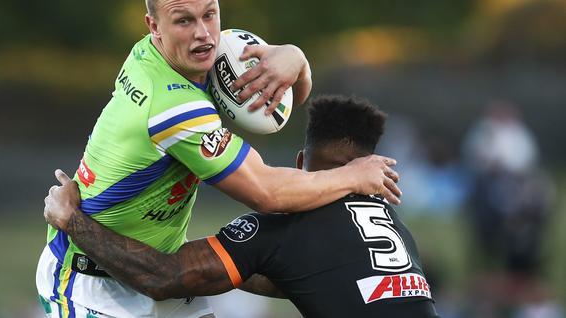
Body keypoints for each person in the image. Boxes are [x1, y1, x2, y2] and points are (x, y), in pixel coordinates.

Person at [36, 0, 402, 317]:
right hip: (92, 279)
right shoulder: (169, 105)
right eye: (184, 21)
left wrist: (295, 58)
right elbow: (266, 193)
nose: (203, 33)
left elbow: (283, 107)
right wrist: (352, 175)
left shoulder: (181, 53)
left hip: (159, 270)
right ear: (154, 26)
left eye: (209, 14)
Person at [45, 95, 437, 318]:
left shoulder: (284, 230)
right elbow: (310, 278)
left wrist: (72, 220)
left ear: (300, 163)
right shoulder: (397, 233)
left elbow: (162, 278)